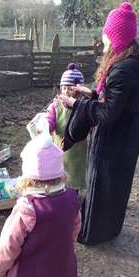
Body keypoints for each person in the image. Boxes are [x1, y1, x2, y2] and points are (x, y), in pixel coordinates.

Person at [58, 2, 139, 245]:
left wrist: (76, 105)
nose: (104, 40)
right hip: (127, 129)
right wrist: (89, 93)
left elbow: (109, 113)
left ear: (117, 36)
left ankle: (93, 234)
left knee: (103, 182)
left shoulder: (122, 68)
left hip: (115, 135)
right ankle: (110, 229)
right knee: (116, 184)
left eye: (107, 35)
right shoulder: (134, 62)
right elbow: (114, 101)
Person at [0, 134, 81, 277]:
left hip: (32, 273)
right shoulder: (72, 199)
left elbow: (8, 245)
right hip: (62, 266)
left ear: (28, 176)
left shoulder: (27, 208)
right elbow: (74, 231)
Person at [46, 63, 87, 193]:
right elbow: (50, 118)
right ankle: (59, 194)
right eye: (63, 88)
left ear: (79, 90)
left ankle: (73, 196)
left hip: (78, 151)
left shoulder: (84, 106)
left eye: (70, 89)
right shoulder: (56, 105)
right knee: (58, 174)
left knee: (74, 176)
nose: (66, 92)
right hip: (59, 148)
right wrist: (46, 127)